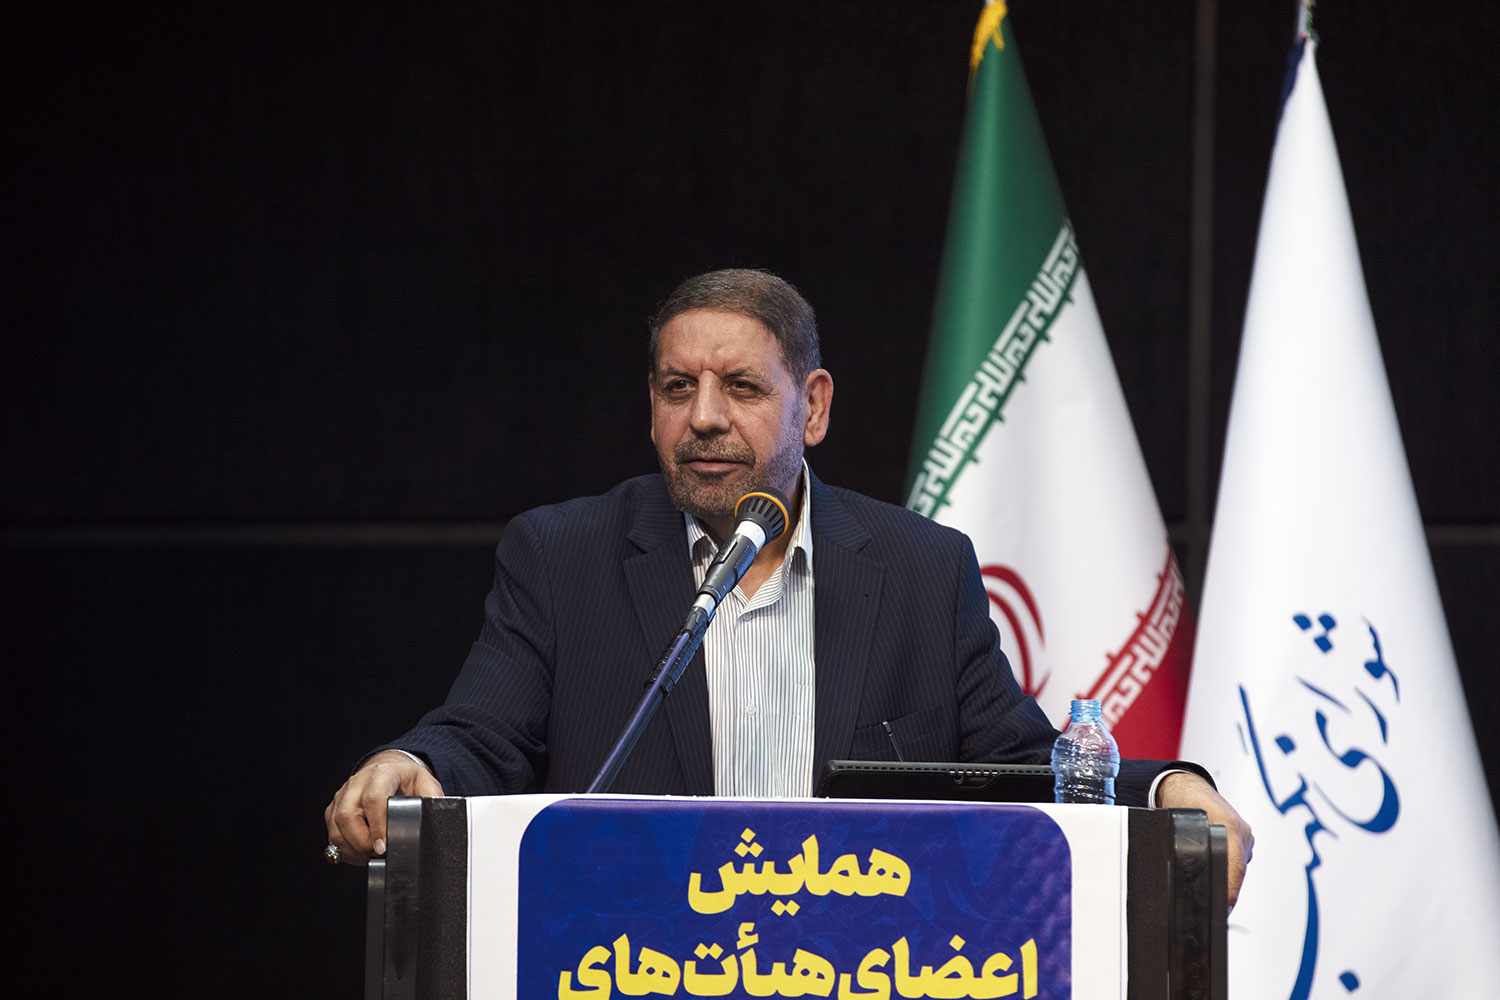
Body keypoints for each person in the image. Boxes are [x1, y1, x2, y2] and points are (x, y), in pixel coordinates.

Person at [324, 268, 1252, 906]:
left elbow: (1020, 773)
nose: (704, 418)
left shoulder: (921, 571)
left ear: (812, 408)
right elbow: (482, 732)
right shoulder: (564, 555)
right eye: (676, 388)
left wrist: (1165, 790)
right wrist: (411, 765)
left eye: (740, 387)